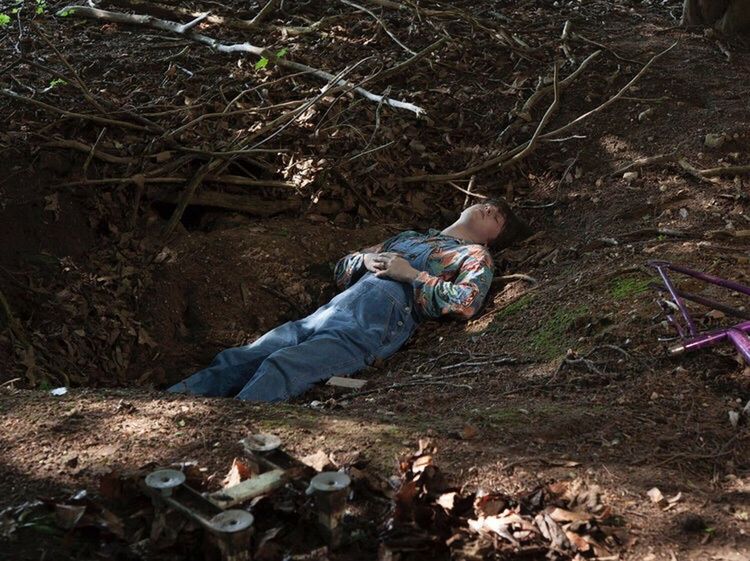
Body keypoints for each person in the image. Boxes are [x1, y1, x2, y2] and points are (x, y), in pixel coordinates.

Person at [167, 198, 528, 402]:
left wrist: (413, 276)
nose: (488, 209)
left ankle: (229, 434)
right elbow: (343, 266)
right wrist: (364, 261)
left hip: (372, 326)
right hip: (327, 313)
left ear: (493, 239)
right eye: (486, 204)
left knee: (284, 366)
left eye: (498, 217)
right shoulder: (408, 237)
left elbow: (466, 303)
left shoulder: (474, 257)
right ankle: (165, 406)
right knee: (241, 358)